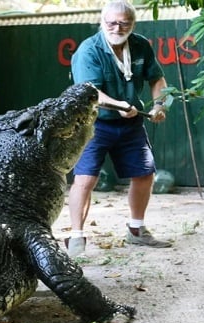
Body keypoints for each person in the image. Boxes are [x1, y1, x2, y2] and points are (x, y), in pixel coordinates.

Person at [66, 0, 172, 257]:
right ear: (102, 22)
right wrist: (121, 105)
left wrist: (159, 105)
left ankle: (137, 230)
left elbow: (157, 79)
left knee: (145, 174)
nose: (117, 27)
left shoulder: (140, 45)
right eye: (111, 22)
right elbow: (91, 93)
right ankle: (76, 237)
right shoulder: (88, 50)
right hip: (94, 123)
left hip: (131, 123)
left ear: (132, 24)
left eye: (124, 23)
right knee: (86, 179)